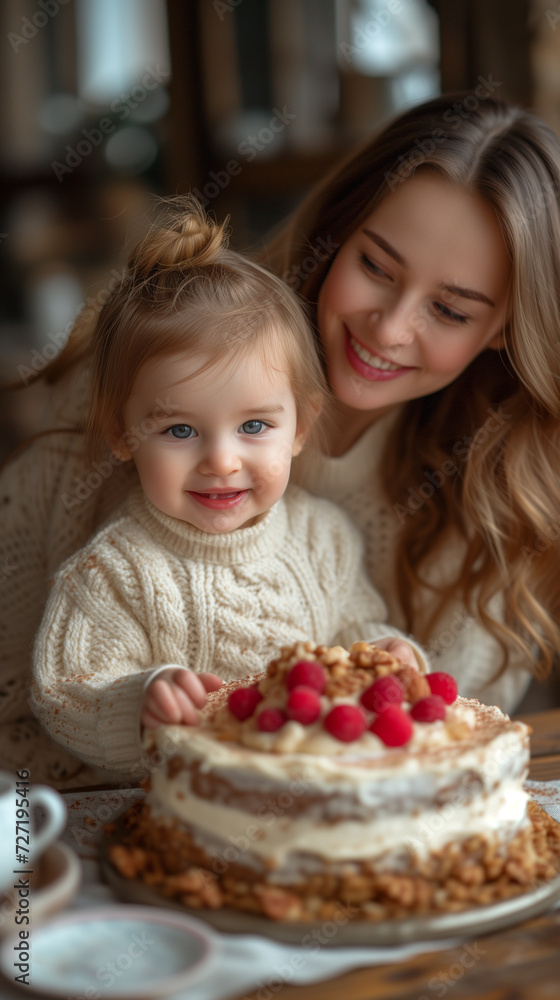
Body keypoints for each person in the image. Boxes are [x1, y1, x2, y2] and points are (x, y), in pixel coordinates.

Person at [2, 92, 559, 780]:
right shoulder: (144, 372)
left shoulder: (488, 512)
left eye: (448, 309)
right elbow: (26, 713)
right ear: (339, 230)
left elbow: (429, 760)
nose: (389, 329)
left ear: (505, 327)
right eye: (376, 267)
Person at [28, 198, 425, 784]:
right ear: (122, 433)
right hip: (190, 817)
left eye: (254, 426)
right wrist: (139, 701)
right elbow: (65, 694)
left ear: (301, 427)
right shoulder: (114, 572)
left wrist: (385, 651)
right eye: (180, 430)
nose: (221, 460)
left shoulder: (323, 540)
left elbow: (351, 634)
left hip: (314, 805)